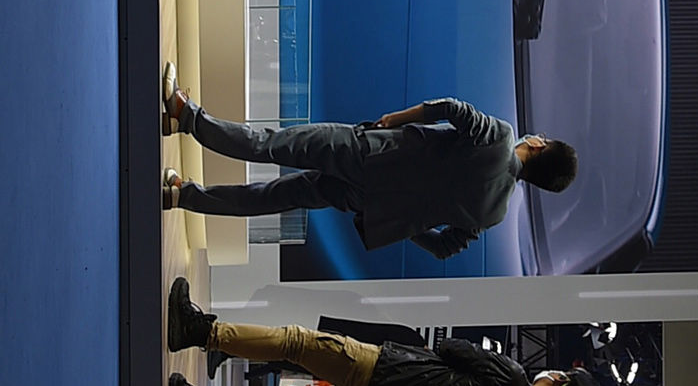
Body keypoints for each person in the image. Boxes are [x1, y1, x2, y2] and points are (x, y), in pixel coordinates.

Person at [160, 64, 578, 254]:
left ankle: (186, 116)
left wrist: (394, 119)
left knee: (272, 144)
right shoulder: (494, 214)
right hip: (368, 201)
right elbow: (443, 247)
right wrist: (405, 217)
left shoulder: (502, 138)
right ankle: (182, 196)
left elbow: (450, 109)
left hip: (370, 154)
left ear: (540, 146)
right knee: (274, 197)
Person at [165, 291, 601, 386]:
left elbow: (453, 349)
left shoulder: (513, 377)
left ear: (560, 379)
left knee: (297, 343)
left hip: (387, 373)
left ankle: (201, 332)